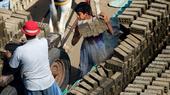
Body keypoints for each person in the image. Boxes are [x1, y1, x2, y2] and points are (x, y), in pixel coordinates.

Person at [8, 20, 62, 95]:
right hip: (48, 82)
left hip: (32, 87)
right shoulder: (44, 42)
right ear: (37, 33)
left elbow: (12, 67)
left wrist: (9, 57)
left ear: (25, 34)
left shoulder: (19, 50)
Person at [72, 2, 119, 77]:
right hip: (86, 50)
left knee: (102, 70)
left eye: (79, 14)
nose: (77, 17)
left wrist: (107, 22)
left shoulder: (98, 20)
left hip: (100, 48)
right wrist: (77, 33)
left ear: (86, 14)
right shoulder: (80, 26)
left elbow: (111, 33)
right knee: (83, 71)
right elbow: (73, 43)